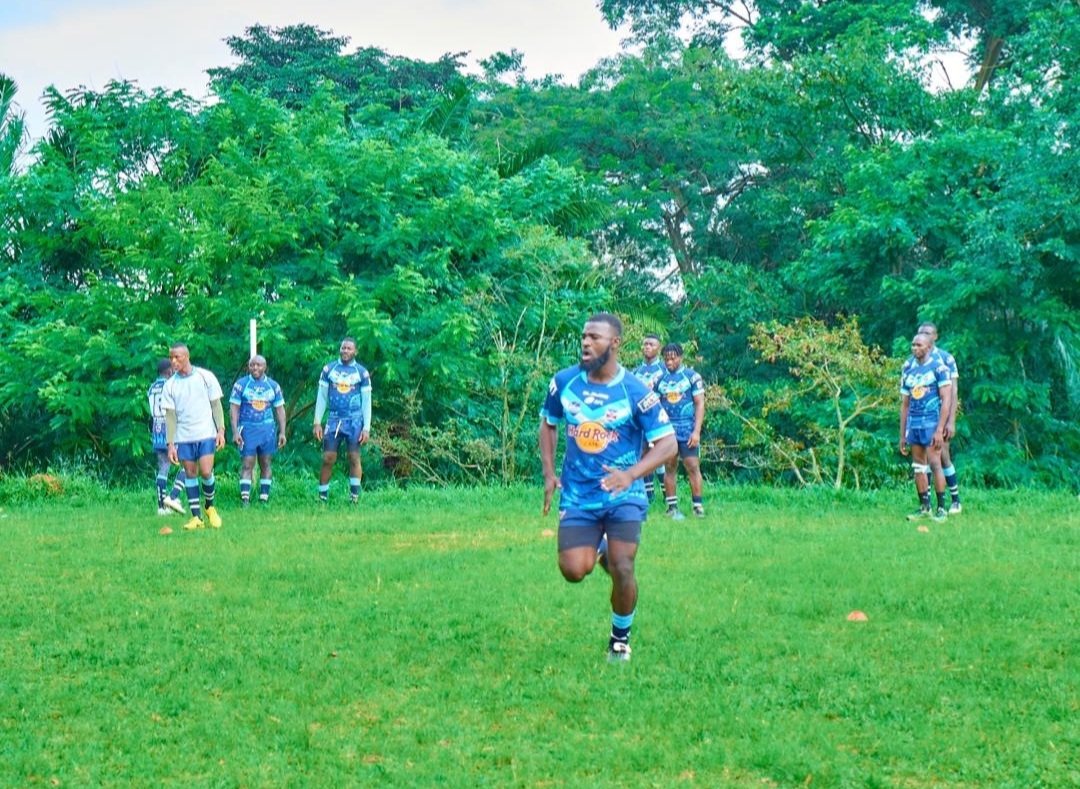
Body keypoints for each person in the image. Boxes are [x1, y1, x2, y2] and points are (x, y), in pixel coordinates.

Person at [539, 313, 676, 663]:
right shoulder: (564, 382)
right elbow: (548, 424)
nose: (586, 343)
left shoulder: (635, 391)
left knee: (624, 566)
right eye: (584, 336)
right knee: (573, 570)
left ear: (614, 343)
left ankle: (619, 639)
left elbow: (668, 444)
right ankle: (600, 549)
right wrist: (549, 474)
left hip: (623, 496)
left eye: (595, 337)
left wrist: (631, 475)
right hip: (579, 495)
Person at [162, 343, 226, 530]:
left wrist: (221, 430)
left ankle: (210, 506)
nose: (173, 361)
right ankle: (196, 517)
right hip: (184, 437)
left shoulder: (205, 377)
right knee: (190, 473)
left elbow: (216, 405)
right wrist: (171, 444)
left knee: (206, 471)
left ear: (187, 356)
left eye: (177, 357)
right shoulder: (170, 385)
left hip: (206, 433)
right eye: (171, 357)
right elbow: (170, 417)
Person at [899, 332, 952, 522]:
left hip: (931, 423)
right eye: (913, 345)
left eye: (919, 345)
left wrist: (940, 429)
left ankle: (942, 508)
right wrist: (902, 435)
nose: (915, 348)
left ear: (929, 347)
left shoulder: (939, 369)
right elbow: (905, 404)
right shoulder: (908, 370)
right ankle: (924, 507)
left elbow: (946, 400)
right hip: (914, 425)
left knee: (935, 464)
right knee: (918, 467)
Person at [313, 337, 372, 503]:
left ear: (355, 351)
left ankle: (354, 498)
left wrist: (366, 427)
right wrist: (317, 421)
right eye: (343, 348)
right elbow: (322, 396)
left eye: (349, 348)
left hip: (354, 422)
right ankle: (322, 498)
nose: (345, 351)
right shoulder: (328, 369)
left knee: (354, 458)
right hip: (334, 420)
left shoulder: (362, 373)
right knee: (328, 458)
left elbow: (367, 401)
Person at [654, 343, 706, 519]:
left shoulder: (692, 377)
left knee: (692, 466)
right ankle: (671, 507)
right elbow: (654, 407)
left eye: (673, 357)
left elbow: (699, 404)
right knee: (669, 467)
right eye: (666, 358)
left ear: (681, 357)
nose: (669, 361)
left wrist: (696, 431)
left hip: (687, 429)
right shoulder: (659, 380)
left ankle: (697, 506)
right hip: (668, 431)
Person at [229, 354, 287, 506]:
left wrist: (282, 432)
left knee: (266, 463)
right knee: (247, 463)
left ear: (265, 367)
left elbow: (280, 410)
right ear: (248, 367)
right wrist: (235, 431)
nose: (255, 368)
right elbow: (234, 409)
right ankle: (245, 499)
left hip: (267, 429)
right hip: (247, 428)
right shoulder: (241, 385)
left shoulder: (273, 386)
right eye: (252, 365)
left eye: (258, 365)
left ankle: (264, 498)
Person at [918, 321, 962, 514]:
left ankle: (955, 500)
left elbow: (952, 392)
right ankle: (926, 503)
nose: (924, 336)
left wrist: (951, 421)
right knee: (924, 461)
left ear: (935, 336)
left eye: (928, 333)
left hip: (940, 417)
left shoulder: (946, 358)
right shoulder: (916, 359)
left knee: (943, 456)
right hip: (922, 418)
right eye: (921, 333)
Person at [147, 358, 186, 516]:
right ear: (169, 371)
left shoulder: (151, 388)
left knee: (163, 466)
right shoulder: (171, 385)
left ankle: (161, 506)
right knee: (187, 464)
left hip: (157, 428)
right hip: (171, 428)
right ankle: (173, 496)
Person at [632, 333, 666, 502]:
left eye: (651, 344)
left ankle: (667, 493)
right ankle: (649, 495)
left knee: (660, 455)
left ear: (658, 347)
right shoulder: (635, 372)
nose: (647, 347)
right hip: (640, 420)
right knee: (644, 454)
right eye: (645, 344)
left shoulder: (664, 370)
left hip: (659, 418)